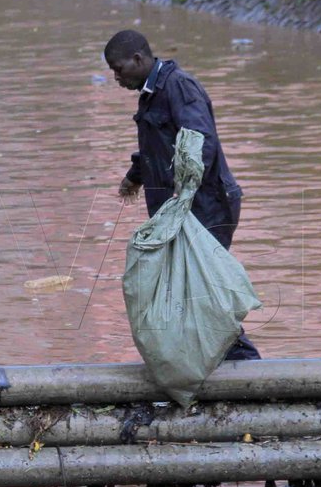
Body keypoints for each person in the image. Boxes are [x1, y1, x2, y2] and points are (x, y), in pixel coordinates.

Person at [104, 29, 259, 360]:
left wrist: (183, 186)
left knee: (201, 288)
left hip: (207, 205)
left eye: (118, 69)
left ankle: (244, 361)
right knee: (187, 289)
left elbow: (201, 140)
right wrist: (134, 178)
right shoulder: (150, 94)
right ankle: (214, 363)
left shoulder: (179, 87)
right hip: (180, 210)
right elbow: (155, 146)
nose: (116, 77)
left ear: (138, 59)